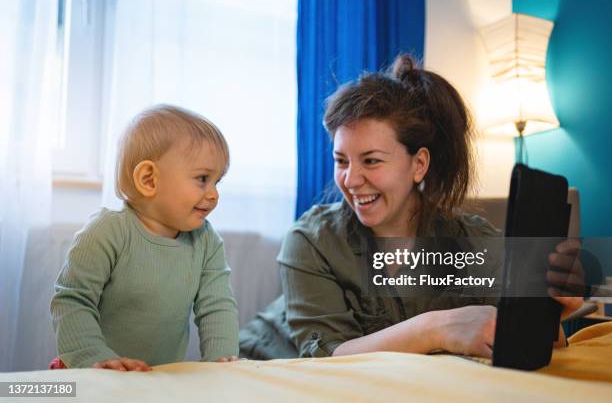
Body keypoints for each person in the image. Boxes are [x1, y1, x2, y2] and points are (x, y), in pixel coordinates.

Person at [239, 54, 582, 360]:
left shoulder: (472, 241)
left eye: (371, 161)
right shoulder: (312, 240)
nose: (351, 179)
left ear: (418, 164)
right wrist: (437, 327)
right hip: (262, 369)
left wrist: (550, 311)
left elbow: (524, 338)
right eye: (341, 160)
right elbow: (327, 357)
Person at [51, 105, 239, 370]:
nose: (214, 195)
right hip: (93, 372)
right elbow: (73, 301)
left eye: (217, 182)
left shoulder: (206, 241)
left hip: (157, 378)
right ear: (149, 179)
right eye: (202, 178)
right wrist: (95, 359)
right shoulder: (106, 232)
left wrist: (222, 362)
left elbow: (217, 306)